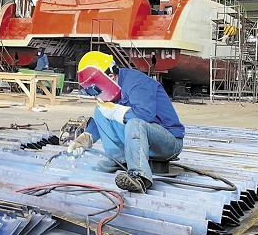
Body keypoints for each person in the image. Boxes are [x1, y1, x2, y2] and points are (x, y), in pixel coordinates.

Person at [67, 51, 184, 193]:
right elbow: (106, 115)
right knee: (100, 109)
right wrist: (86, 138)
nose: (96, 96)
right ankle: (118, 159)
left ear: (110, 77)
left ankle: (139, 177)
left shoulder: (137, 82)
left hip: (168, 143)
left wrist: (117, 112)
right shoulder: (113, 88)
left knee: (135, 123)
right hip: (143, 142)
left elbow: (145, 115)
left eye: (95, 91)